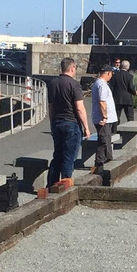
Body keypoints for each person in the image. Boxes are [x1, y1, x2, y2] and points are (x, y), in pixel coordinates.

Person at [46, 57, 90, 188]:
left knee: (57, 156)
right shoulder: (74, 84)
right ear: (72, 68)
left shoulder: (53, 83)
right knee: (69, 157)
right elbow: (79, 107)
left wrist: (52, 122)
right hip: (71, 122)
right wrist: (86, 127)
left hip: (56, 122)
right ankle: (64, 187)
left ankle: (51, 185)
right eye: (75, 68)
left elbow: (51, 106)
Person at [91, 65, 117, 173]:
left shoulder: (99, 84)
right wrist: (105, 116)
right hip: (103, 118)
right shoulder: (101, 85)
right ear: (108, 73)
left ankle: (107, 160)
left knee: (107, 139)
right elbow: (102, 101)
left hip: (106, 118)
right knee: (104, 141)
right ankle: (99, 164)